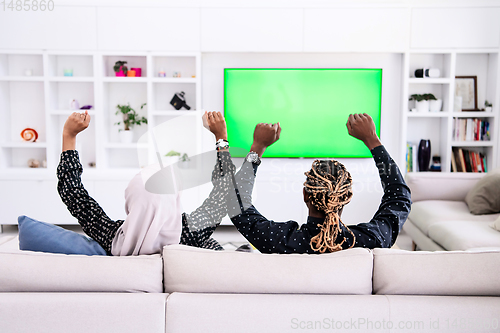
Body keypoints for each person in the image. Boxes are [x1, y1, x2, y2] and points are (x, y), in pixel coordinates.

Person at [226, 113, 412, 254]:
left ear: (305, 195)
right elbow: (399, 197)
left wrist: (258, 147)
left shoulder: (277, 239)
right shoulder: (371, 240)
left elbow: (236, 203)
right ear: (346, 197)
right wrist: (373, 140)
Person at [57, 110, 234, 255]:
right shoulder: (190, 234)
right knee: (211, 245)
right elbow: (224, 192)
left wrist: (69, 135)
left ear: (131, 198)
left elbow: (73, 192)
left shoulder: (114, 238)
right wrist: (221, 136)